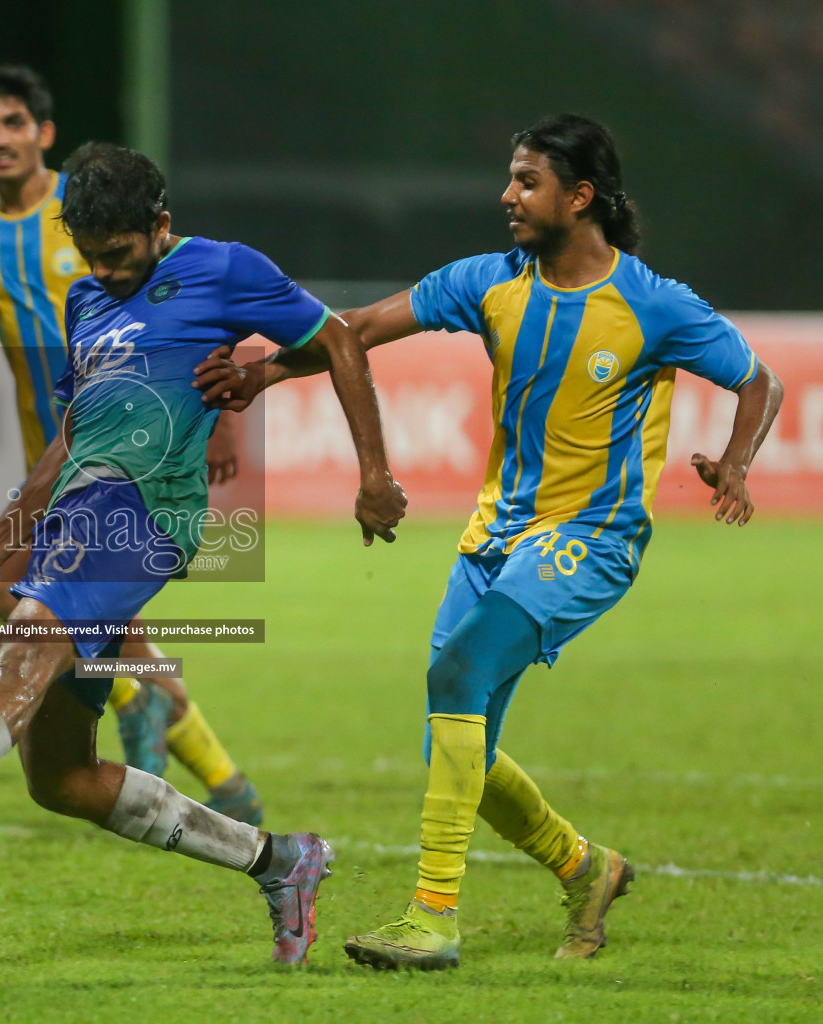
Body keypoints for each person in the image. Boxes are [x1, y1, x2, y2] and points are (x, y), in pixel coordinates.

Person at [0, 142, 409, 964]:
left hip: (147, 517)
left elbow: (342, 341)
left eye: (120, 256)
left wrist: (374, 474)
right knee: (61, 779)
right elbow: (70, 437)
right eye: (91, 256)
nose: (106, 272)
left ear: (160, 225)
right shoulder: (84, 299)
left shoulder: (223, 270)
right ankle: (281, 861)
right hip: (79, 519)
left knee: (19, 659)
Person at [192, 113, 784, 970]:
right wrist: (262, 372)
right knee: (453, 744)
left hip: (591, 537)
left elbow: (757, 379)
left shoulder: (652, 304)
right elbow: (351, 327)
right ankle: (587, 869)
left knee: (456, 673)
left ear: (579, 198)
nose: (507, 195)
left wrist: (735, 463)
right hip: (493, 536)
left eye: (527, 181)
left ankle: (431, 919)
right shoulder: (490, 281)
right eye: (510, 178)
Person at [0, 66, 263, 822]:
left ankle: (186, 755)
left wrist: (224, 420)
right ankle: (220, 782)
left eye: (14, 124)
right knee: (82, 627)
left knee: (54, 625)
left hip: (127, 454)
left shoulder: (92, 208)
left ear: (43, 132)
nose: (1, 139)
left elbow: (191, 309)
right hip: (40, 451)